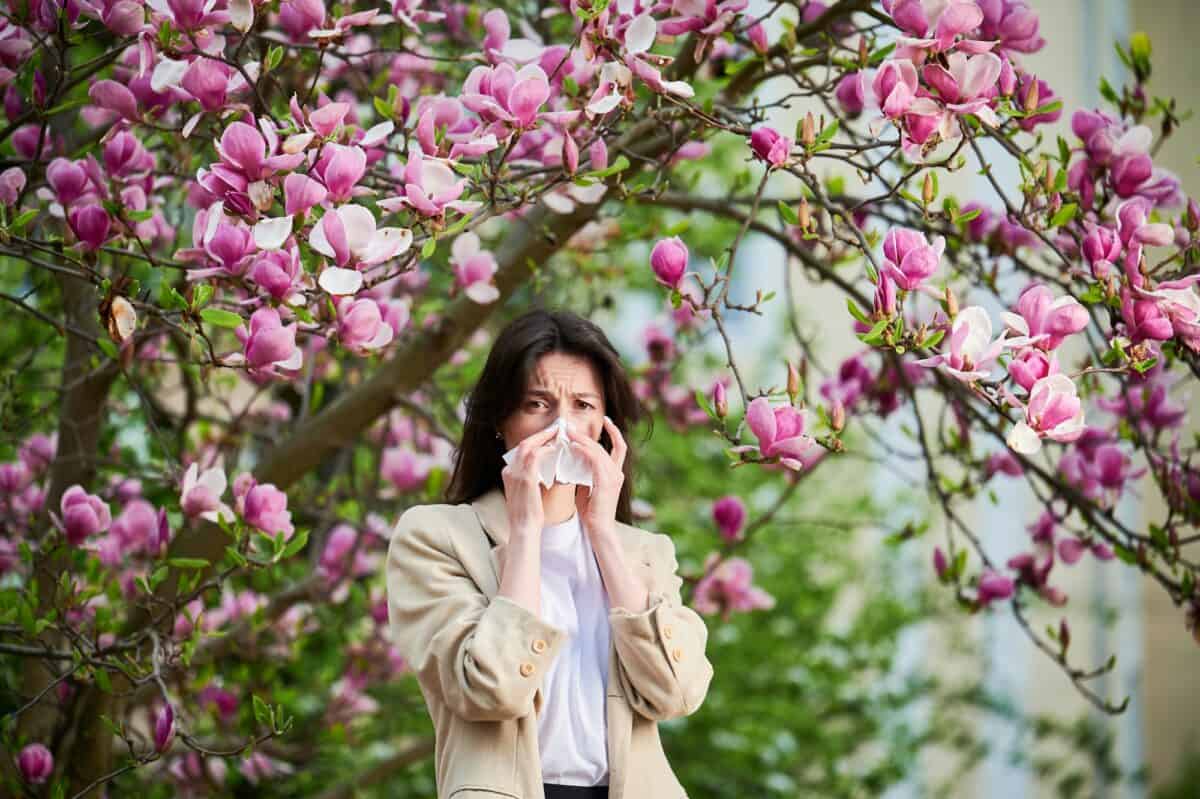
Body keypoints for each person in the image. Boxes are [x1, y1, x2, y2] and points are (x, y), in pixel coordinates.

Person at [385, 308, 714, 799]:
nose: (562, 427)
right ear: (501, 419)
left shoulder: (645, 552)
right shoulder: (436, 536)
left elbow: (677, 692)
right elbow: (489, 690)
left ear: (605, 424)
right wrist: (524, 528)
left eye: (583, 405)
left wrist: (603, 531)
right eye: (538, 404)